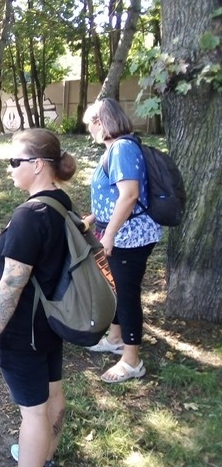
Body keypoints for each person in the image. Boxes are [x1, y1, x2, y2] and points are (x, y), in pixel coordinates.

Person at [0, 129, 77, 467]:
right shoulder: (60, 202)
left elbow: (12, 283)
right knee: (52, 395)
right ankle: (43, 462)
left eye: (15, 161)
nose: (10, 168)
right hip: (50, 322)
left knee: (33, 412)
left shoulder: (29, 216)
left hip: (23, 330)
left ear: (38, 164)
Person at [82, 98, 162, 383]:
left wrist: (110, 234)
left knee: (126, 295)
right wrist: (93, 219)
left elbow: (129, 196)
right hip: (120, 232)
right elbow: (112, 195)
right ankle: (116, 339)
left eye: (90, 124)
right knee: (116, 289)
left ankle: (132, 360)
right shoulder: (117, 148)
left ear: (101, 122)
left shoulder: (122, 149)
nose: (89, 131)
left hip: (130, 237)